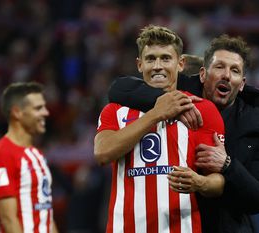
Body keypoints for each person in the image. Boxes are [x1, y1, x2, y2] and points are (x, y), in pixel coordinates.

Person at [108, 34, 259, 233]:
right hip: (176, 222)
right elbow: (119, 88)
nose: (226, 75)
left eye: (234, 71)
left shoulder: (256, 120)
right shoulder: (183, 89)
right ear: (203, 74)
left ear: (242, 84)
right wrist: (173, 104)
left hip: (226, 225)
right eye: (219, 66)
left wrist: (228, 166)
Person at [94, 25, 226, 233]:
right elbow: (102, 153)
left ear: (180, 63)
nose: (158, 66)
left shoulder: (203, 110)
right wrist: (156, 113)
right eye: (150, 59)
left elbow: (218, 181)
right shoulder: (115, 111)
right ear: (139, 65)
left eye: (165, 58)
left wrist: (200, 182)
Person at [0, 82, 59, 233]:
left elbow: (46, 215)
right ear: (17, 112)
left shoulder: (37, 154)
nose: (46, 113)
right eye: (38, 108)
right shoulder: (1, 154)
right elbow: (8, 219)